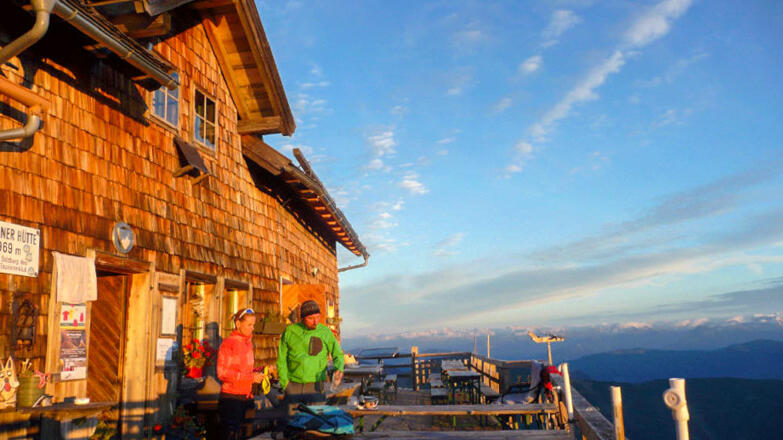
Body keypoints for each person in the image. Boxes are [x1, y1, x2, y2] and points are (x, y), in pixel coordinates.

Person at [277, 300, 345, 415]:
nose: (315, 322)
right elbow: (281, 359)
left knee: (316, 423)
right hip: (293, 386)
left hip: (316, 387)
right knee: (292, 425)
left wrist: (339, 368)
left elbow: (337, 354)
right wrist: (285, 384)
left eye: (318, 317)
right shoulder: (290, 331)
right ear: (302, 318)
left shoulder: (324, 332)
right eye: (311, 318)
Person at [217, 308, 265, 440]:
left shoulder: (247, 343)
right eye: (249, 324)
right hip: (232, 398)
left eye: (253, 325)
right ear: (238, 324)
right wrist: (250, 377)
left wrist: (260, 372)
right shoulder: (228, 344)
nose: (252, 328)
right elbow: (223, 373)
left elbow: (244, 370)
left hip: (246, 396)